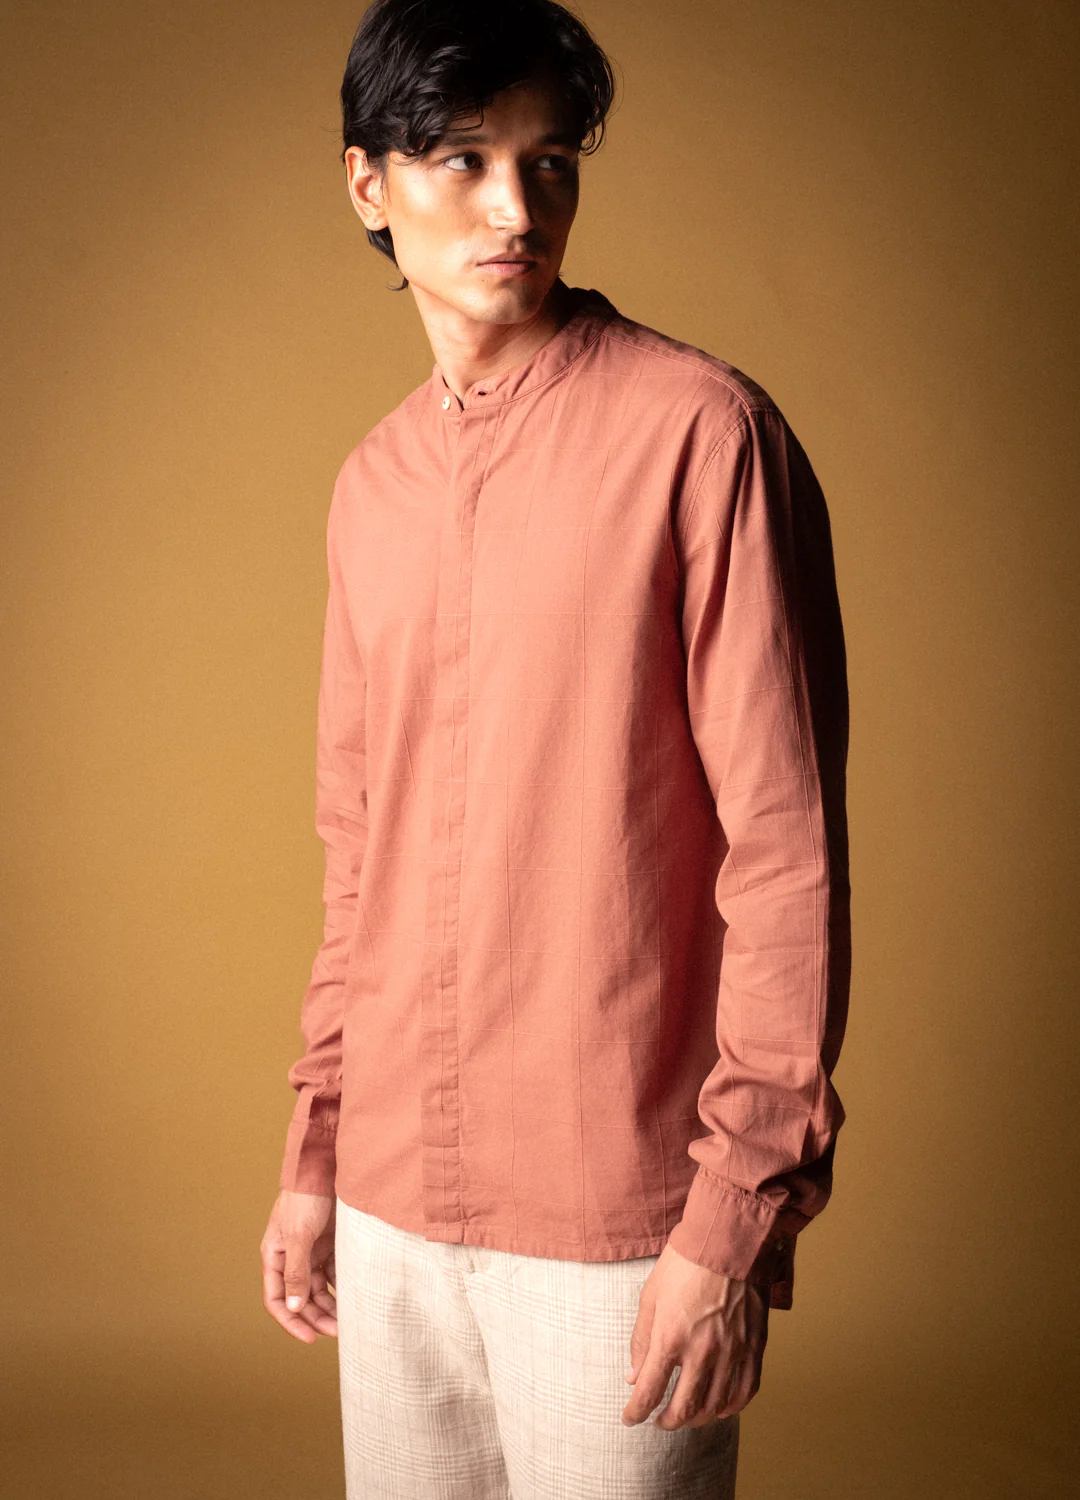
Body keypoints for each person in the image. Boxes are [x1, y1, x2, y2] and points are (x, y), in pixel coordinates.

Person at [259, 2, 851, 1496]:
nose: (517, 209)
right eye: (462, 159)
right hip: (389, 1207)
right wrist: (318, 1153)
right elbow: (361, 857)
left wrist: (734, 1226)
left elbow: (787, 859)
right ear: (367, 184)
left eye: (550, 162)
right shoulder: (371, 486)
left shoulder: (704, 436)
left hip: (621, 1217)